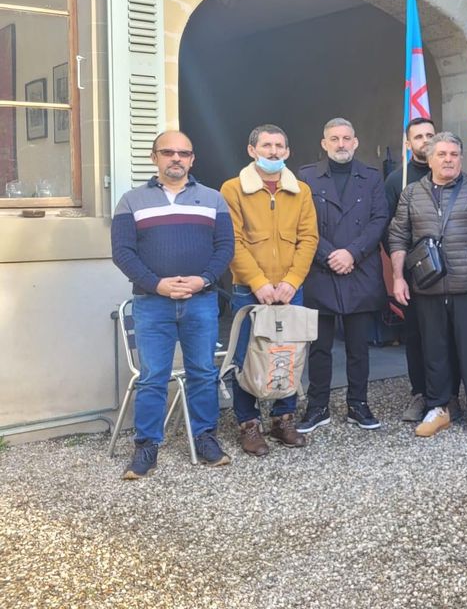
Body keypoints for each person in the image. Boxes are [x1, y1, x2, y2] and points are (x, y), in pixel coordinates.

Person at [111, 131, 235, 478]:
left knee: (202, 373)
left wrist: (204, 279)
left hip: (201, 301)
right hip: (152, 303)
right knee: (152, 377)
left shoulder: (212, 199)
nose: (176, 158)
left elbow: (225, 247)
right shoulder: (131, 201)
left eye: (184, 153)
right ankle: (146, 448)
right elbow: (122, 252)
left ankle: (206, 439)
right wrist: (157, 284)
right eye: (168, 152)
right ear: (155, 157)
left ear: (193, 159)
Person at [389, 132, 467, 440]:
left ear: (461, 158)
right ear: (430, 158)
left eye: (454, 154)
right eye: (442, 154)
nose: (448, 159)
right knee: (433, 349)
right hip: (427, 287)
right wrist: (398, 277)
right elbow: (398, 236)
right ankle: (438, 407)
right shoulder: (411, 193)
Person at [221, 124, 319, 455]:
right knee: (247, 356)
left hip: (291, 289)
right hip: (250, 289)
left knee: (287, 355)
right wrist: (258, 282)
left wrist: (292, 281)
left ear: (287, 152)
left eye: (279, 146)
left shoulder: (300, 191)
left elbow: (309, 238)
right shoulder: (233, 189)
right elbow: (231, 241)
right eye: (266, 146)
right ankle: (249, 424)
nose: (273, 152)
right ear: (252, 150)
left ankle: (283, 420)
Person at [296, 118, 389, 434]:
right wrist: (330, 255)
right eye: (334, 138)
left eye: (346, 138)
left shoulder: (372, 177)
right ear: (324, 143)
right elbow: (302, 224)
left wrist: (351, 253)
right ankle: (317, 406)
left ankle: (358, 404)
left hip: (359, 269)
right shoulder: (306, 177)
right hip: (321, 271)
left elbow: (379, 220)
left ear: (356, 141)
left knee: (358, 347)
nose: (341, 143)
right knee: (319, 347)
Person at [384, 116, 437, 422]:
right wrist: (398, 272)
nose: (426, 141)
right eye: (419, 136)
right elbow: (389, 231)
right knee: (416, 335)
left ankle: (448, 394)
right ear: (408, 143)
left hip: (449, 272)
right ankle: (420, 393)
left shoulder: (448, 169)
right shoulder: (396, 180)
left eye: (431, 134)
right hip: (415, 273)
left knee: (448, 335)